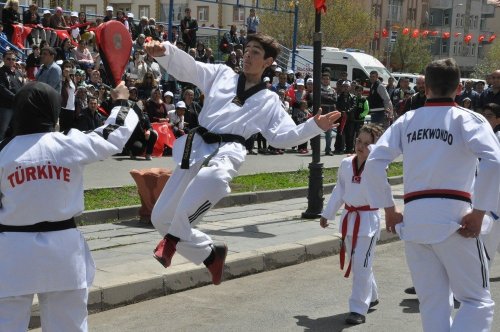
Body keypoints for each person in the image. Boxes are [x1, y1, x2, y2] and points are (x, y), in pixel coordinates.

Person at [144, 33, 340, 285]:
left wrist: (314, 126)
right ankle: (210, 254)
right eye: (246, 50)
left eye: (255, 52)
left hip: (230, 149)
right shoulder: (221, 75)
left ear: (268, 61)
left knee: (213, 178)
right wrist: (165, 51)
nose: (247, 55)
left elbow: (281, 137)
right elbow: (190, 68)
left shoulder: (269, 100)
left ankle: (172, 240)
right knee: (160, 217)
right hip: (198, 145)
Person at [362, 58, 500, 332]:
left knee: (433, 303)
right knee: (476, 301)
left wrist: (388, 209)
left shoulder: (408, 120)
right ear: (459, 88)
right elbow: (494, 162)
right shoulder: (469, 119)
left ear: (425, 89)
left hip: (415, 219)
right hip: (456, 218)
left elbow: (375, 161)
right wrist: (481, 210)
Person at [0, 81, 138, 332]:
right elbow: (115, 134)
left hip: (12, 252)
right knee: (68, 326)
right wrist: (120, 102)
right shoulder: (69, 144)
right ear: (54, 111)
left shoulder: (3, 152)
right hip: (63, 252)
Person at [320, 123, 384, 325]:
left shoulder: (377, 165)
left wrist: (374, 152)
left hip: (368, 222)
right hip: (349, 218)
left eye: (367, 143)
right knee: (359, 263)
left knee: (361, 265)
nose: (361, 146)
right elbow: (339, 189)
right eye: (359, 141)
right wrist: (327, 213)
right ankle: (371, 295)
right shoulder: (346, 163)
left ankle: (358, 309)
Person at [481, 103, 500, 267]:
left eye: (489, 116)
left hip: (494, 199)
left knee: (487, 244)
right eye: (483, 115)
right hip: (480, 195)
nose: (485, 119)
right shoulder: (478, 137)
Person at [0, 50, 24, 141]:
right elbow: (2, 89)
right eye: (8, 59)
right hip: (5, 107)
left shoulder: (18, 72)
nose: (11, 61)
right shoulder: (1, 72)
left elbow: (22, 86)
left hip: (17, 106)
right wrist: (16, 97)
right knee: (2, 130)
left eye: (13, 59)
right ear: (3, 59)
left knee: (16, 130)